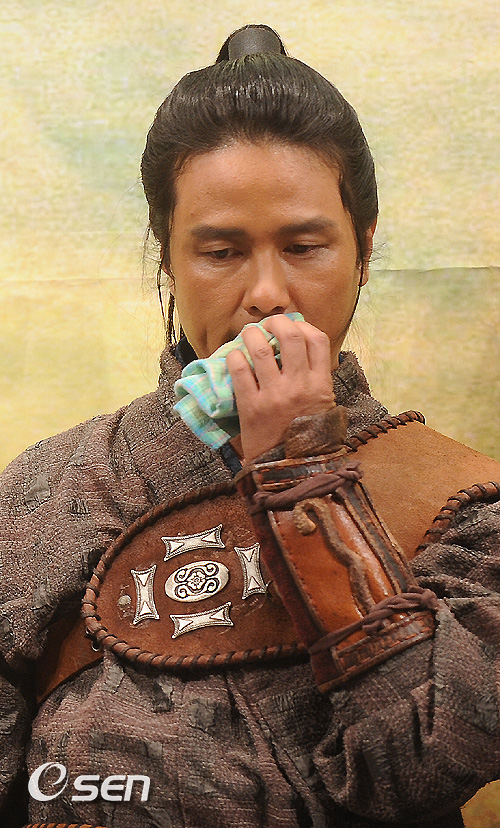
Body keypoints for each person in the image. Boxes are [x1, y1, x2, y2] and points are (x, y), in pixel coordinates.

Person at [1, 23, 499, 828]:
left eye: (304, 246)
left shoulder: (465, 503)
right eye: (221, 252)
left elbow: (417, 770)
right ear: (168, 257)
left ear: (364, 249)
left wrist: (305, 478)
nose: (267, 292)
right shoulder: (45, 490)